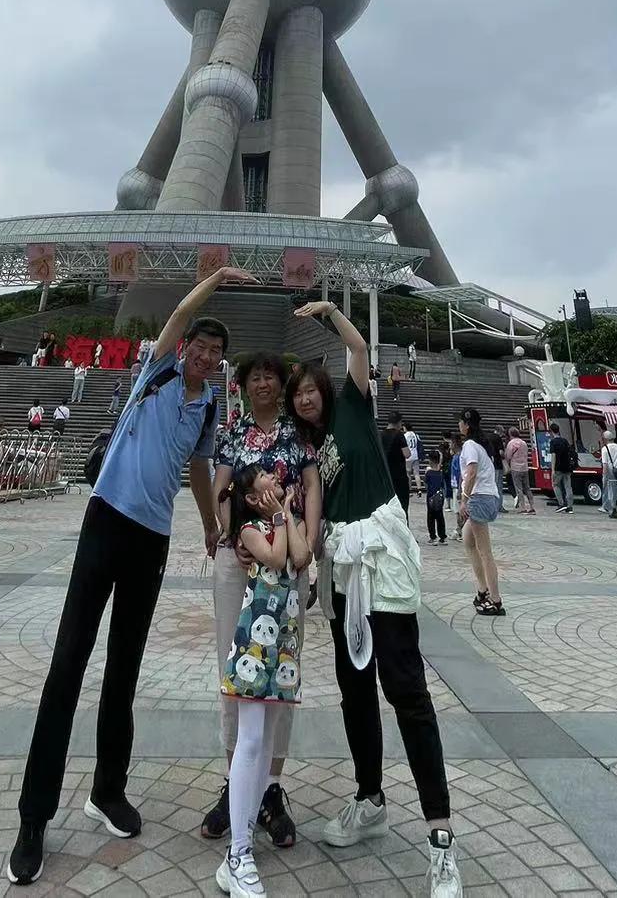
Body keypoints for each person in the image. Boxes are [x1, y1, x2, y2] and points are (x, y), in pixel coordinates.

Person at [6, 265, 250, 887]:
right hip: (105, 522)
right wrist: (218, 276)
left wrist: (207, 524)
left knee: (125, 668)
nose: (205, 357)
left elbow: (198, 470)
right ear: (185, 347)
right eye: (200, 346)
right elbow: (173, 318)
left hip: (151, 540)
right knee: (68, 665)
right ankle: (33, 820)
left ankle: (107, 790)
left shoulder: (210, 405)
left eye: (216, 353)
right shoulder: (160, 370)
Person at [286, 300, 464, 898]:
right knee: (354, 691)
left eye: (312, 389)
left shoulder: (355, 409)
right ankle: (369, 800)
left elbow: (360, 351)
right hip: (341, 572)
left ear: (327, 391)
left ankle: (440, 841)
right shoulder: (309, 454)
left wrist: (333, 313)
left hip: (382, 562)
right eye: (298, 394)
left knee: (407, 692)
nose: (306, 398)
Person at [203, 351, 320, 852]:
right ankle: (236, 778)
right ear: (243, 386)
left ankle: (270, 786)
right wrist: (221, 525)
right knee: (235, 671)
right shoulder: (232, 431)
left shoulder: (298, 434)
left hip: (287, 561)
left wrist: (309, 543)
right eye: (255, 377)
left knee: (283, 673)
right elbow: (220, 484)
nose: (263, 384)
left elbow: (312, 485)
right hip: (241, 562)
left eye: (270, 376)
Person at [216, 465, 311, 898]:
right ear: (253, 499)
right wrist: (279, 516)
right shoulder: (250, 530)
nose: (277, 480)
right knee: (251, 739)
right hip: (256, 643)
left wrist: (288, 513)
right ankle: (236, 853)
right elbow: (275, 557)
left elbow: (302, 555)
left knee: (268, 739)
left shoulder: (279, 519)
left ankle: (246, 835)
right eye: (267, 483)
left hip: (283, 646)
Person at [459, 409, 504, 615]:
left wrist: (464, 500)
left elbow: (472, 473)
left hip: (479, 498)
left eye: (460, 422)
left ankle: (495, 600)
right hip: (487, 497)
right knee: (468, 541)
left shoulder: (469, 445)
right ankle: (482, 589)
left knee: (485, 552)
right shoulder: (481, 444)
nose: (459, 425)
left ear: (466, 425)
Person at [382, 413, 412, 516]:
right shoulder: (399, 435)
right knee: (402, 506)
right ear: (399, 422)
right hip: (399, 476)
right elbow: (407, 454)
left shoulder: (380, 434)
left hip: (385, 476)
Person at [504, 428, 534, 515]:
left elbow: (508, 456)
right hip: (525, 467)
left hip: (515, 468)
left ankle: (523, 507)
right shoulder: (524, 443)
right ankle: (532, 507)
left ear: (510, 434)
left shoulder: (511, 443)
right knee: (527, 488)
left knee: (519, 488)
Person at [548, 424, 575, 513]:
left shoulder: (553, 442)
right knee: (568, 487)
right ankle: (570, 506)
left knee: (555, 485)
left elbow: (553, 456)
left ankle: (561, 503)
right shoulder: (565, 441)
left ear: (551, 431)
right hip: (567, 467)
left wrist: (552, 469)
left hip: (558, 467)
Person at [424, 450, 448, 545]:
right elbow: (443, 486)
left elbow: (426, 484)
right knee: (440, 517)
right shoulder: (441, 473)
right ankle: (443, 537)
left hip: (430, 497)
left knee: (430, 517)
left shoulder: (428, 473)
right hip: (440, 498)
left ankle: (433, 537)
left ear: (430, 460)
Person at [449, 435, 465, 537]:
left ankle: (461, 530)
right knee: (457, 510)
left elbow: (461, 474)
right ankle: (459, 529)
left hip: (459, 486)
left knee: (459, 510)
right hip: (454, 484)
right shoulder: (456, 456)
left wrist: (460, 489)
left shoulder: (459, 457)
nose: (450, 446)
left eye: (451, 443)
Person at [404, 424, 423, 494]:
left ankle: (410, 490)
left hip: (408, 456)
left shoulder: (405, 435)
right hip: (415, 455)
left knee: (408, 474)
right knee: (416, 473)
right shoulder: (416, 435)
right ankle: (419, 489)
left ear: (405, 427)